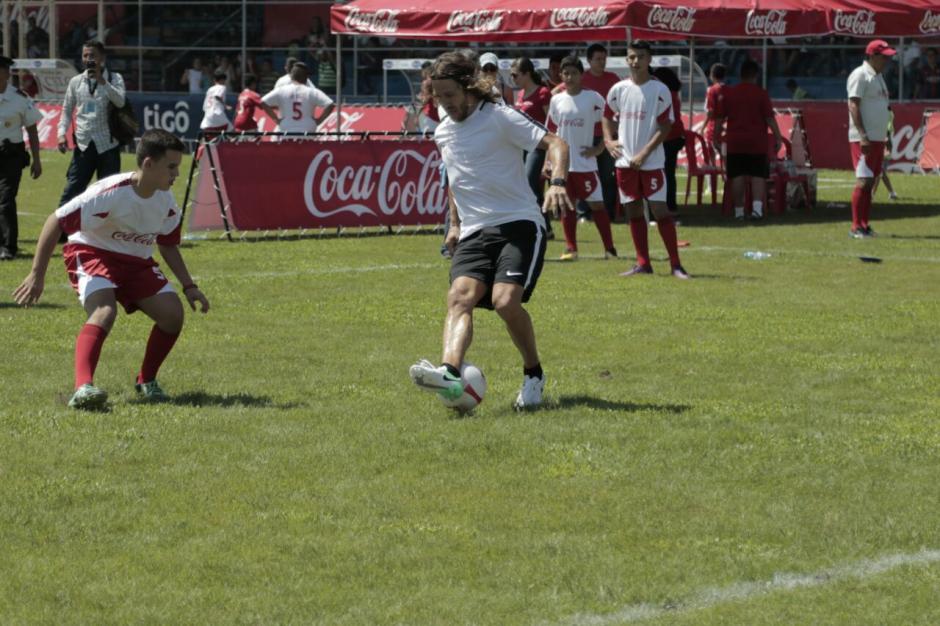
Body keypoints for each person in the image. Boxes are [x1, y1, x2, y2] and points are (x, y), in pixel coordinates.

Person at [408, 51, 574, 411]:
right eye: (439, 96)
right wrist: (454, 225)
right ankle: (449, 373)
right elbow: (455, 179)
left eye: (450, 94)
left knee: (505, 301)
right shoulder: (443, 130)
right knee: (459, 298)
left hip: (519, 223)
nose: (445, 103)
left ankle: (533, 374)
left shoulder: (499, 117)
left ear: (468, 88)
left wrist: (558, 182)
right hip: (473, 231)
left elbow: (557, 143)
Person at [12, 129, 210, 410]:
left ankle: (147, 381)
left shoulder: (166, 203)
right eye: (171, 167)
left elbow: (167, 244)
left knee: (172, 315)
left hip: (136, 263)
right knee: (104, 312)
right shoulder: (110, 192)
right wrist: (36, 274)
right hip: (92, 253)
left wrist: (189, 286)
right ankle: (83, 388)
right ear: (148, 164)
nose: (176, 173)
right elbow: (56, 221)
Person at [603, 40, 689, 279]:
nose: (636, 61)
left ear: (649, 59)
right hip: (625, 162)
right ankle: (643, 263)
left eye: (641, 56)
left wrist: (644, 154)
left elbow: (665, 126)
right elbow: (607, 115)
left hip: (652, 162)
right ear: (626, 60)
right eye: (632, 57)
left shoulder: (659, 90)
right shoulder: (618, 89)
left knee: (660, 210)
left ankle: (676, 265)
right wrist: (609, 141)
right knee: (633, 210)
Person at [546, 56, 616, 261]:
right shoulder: (556, 100)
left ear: (581, 75)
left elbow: (611, 121)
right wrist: (548, 162)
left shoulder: (593, 97)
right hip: (563, 166)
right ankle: (571, 249)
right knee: (567, 206)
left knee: (597, 206)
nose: (569, 77)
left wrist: (599, 148)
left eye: (574, 73)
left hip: (586, 164)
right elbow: (550, 133)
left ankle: (610, 249)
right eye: (566, 73)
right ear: (561, 75)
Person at [57, 41, 126, 211]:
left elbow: (120, 102)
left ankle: (105, 226)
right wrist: (61, 133)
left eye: (93, 55)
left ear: (102, 57)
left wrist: (102, 81)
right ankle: (61, 225)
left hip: (108, 145)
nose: (88, 58)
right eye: (85, 55)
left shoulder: (115, 78)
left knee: (109, 193)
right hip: (83, 145)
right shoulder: (76, 81)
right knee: (72, 190)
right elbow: (66, 110)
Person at [713, 60, 783, 221]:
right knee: (758, 175)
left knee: (737, 176)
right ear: (755, 75)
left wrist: (716, 137)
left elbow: (719, 118)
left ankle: (739, 212)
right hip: (756, 141)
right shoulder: (761, 93)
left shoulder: (730, 93)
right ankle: (757, 210)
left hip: (735, 141)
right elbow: (769, 118)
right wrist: (778, 137)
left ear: (741, 74)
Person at [846, 39, 894, 238]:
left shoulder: (879, 77)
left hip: (877, 138)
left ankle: (864, 225)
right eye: (884, 57)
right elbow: (853, 105)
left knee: (871, 181)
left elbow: (884, 109)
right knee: (864, 181)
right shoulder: (860, 74)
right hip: (864, 138)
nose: (887, 61)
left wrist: (886, 135)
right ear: (873, 56)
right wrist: (863, 135)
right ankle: (855, 227)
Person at [0, 55, 43, 260]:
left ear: (7, 73)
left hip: (11, 156)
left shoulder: (20, 98)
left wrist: (37, 160)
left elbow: (32, 131)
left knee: (6, 200)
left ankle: (8, 247)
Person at [579, 43, 621, 222]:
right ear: (589, 61)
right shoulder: (581, 79)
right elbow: (561, 91)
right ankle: (583, 213)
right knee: (584, 175)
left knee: (607, 176)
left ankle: (608, 213)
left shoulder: (614, 79)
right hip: (584, 136)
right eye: (598, 59)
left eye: (604, 59)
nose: (602, 62)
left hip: (608, 137)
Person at [512, 57, 553, 212]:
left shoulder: (543, 93)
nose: (512, 79)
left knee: (530, 182)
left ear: (527, 74)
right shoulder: (520, 94)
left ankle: (543, 219)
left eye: (515, 75)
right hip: (522, 145)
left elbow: (551, 123)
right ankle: (538, 219)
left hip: (538, 146)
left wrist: (550, 153)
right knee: (525, 185)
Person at [262, 62, 334, 134]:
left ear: (291, 77)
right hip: (307, 130)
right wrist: (319, 120)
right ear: (306, 78)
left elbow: (263, 102)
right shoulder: (312, 92)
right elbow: (330, 104)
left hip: (286, 130)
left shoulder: (281, 90)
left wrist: (276, 119)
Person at [652, 67, 686, 218]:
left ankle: (666, 206)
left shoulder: (663, 94)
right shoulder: (673, 94)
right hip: (675, 136)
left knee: (663, 174)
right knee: (669, 173)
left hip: (667, 137)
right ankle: (671, 206)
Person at [703, 63, 727, 160]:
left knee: (712, 148)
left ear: (711, 75)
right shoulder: (730, 90)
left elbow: (710, 111)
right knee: (724, 151)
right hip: (726, 125)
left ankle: (713, 168)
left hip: (713, 126)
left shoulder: (712, 90)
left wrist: (703, 127)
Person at [200, 69, 232, 138]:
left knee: (211, 138)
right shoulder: (222, 87)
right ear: (222, 80)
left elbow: (204, 107)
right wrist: (226, 105)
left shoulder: (210, 89)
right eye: (224, 80)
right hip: (217, 114)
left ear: (214, 80)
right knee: (231, 130)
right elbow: (217, 96)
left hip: (207, 117)